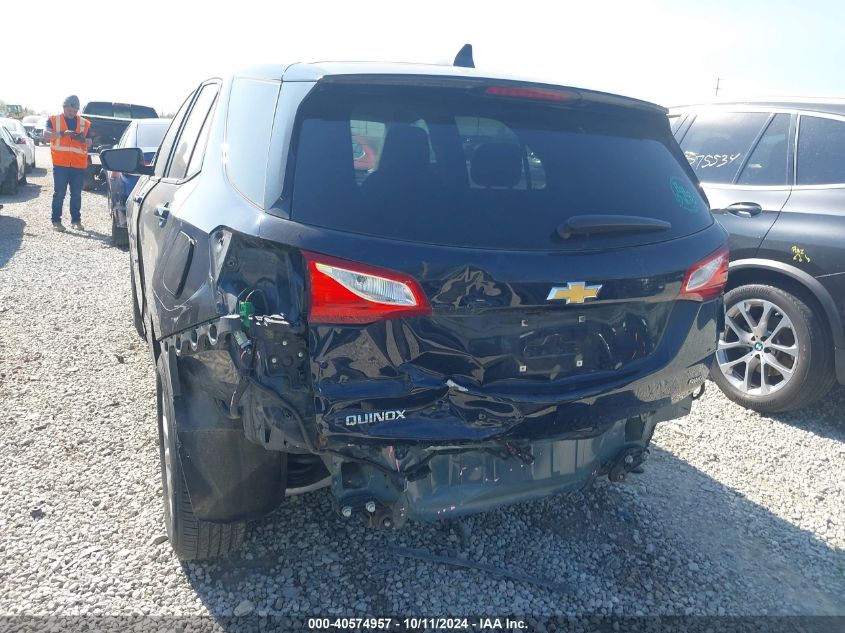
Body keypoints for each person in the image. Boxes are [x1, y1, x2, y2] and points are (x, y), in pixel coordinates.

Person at [42, 95, 93, 232]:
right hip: (60, 164)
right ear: (64, 108)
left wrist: (82, 139)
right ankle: (56, 221)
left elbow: (89, 142)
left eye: (74, 110)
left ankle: (76, 221)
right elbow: (46, 136)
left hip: (78, 165)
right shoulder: (54, 120)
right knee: (59, 193)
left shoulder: (85, 123)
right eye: (69, 110)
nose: (72, 113)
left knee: (76, 193)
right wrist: (63, 133)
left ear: (77, 110)